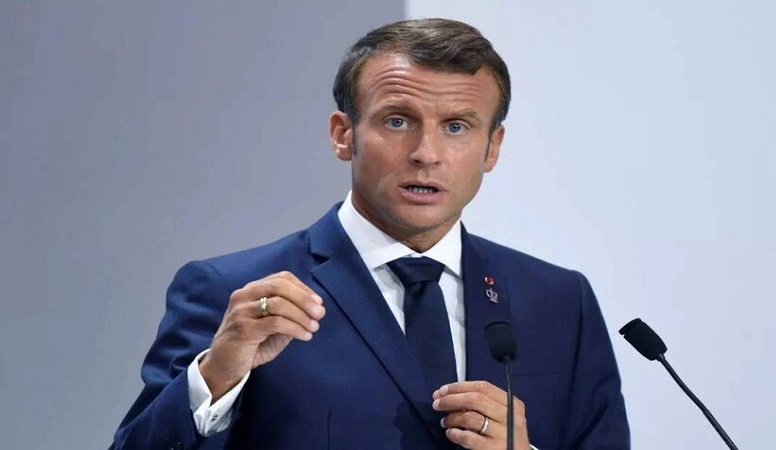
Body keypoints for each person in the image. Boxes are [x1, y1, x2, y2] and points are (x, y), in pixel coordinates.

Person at [113, 18, 630, 450]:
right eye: (398, 121)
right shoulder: (234, 292)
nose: (426, 154)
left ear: (492, 147)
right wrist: (217, 376)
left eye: (456, 126)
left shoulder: (560, 302)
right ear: (344, 135)